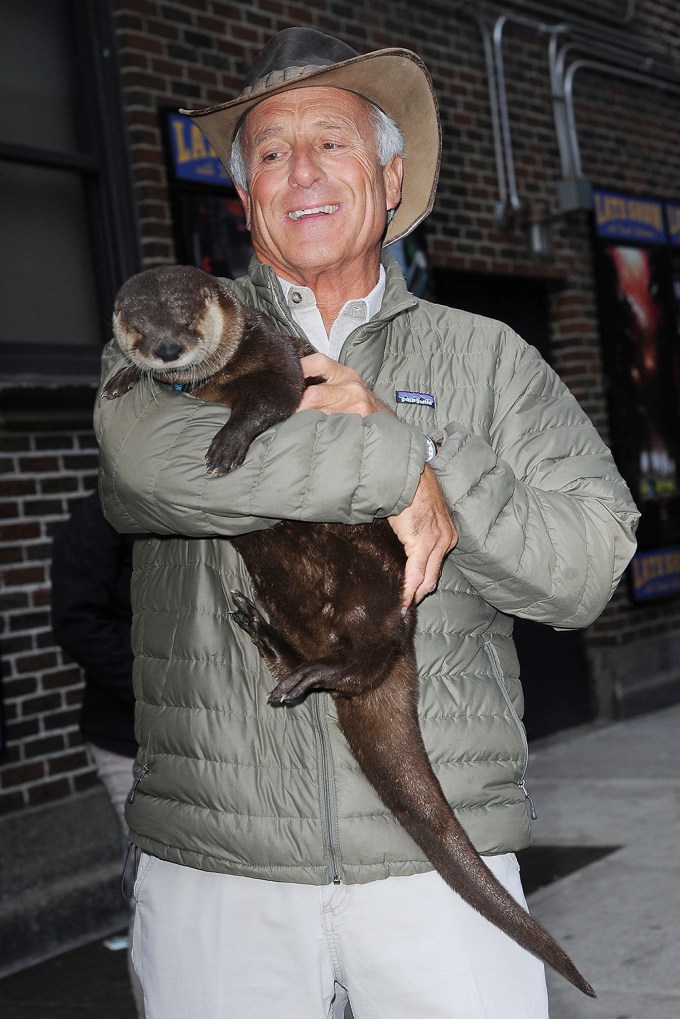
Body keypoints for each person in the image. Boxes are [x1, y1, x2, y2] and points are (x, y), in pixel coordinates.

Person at [94, 27, 639, 1019]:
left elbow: (585, 566)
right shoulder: (173, 329)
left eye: (330, 141)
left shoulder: (490, 356)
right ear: (245, 198)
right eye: (269, 151)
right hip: (222, 866)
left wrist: (431, 457)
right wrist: (391, 470)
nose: (299, 170)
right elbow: (143, 468)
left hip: (442, 862)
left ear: (390, 181)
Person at [50, 490, 144, 1019]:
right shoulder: (97, 515)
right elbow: (77, 621)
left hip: (209, 740)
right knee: (154, 893)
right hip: (126, 738)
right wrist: (160, 688)